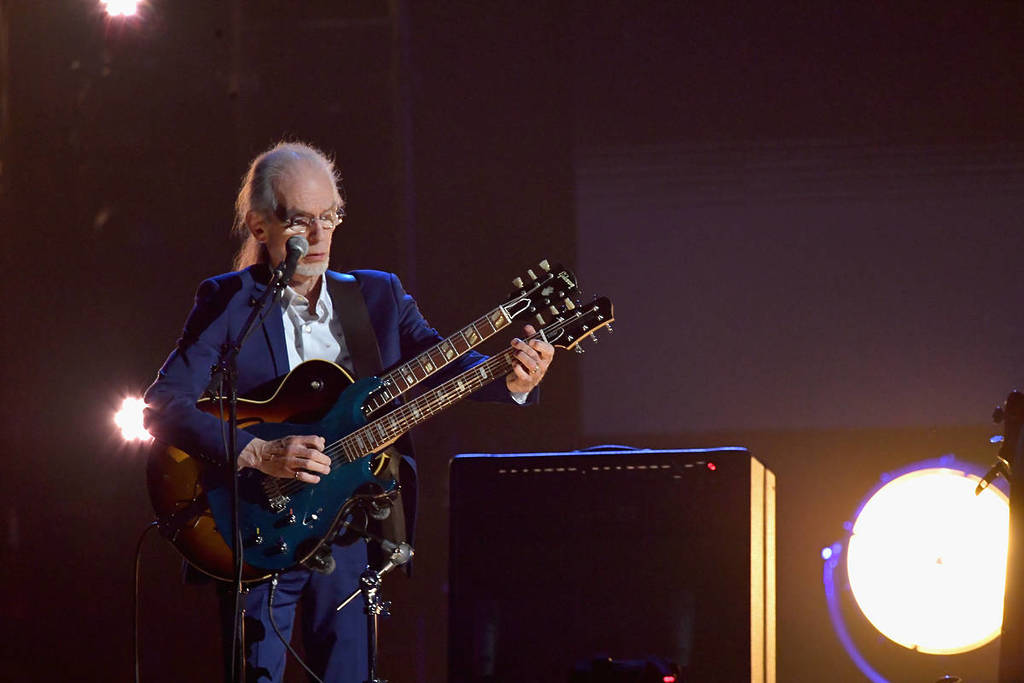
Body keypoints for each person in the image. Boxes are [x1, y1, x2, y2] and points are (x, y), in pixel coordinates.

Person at [143, 141, 553, 682]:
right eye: (298, 220)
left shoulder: (378, 295)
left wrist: (514, 377)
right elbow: (163, 404)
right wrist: (260, 452)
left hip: (352, 525)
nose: (317, 237)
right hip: (259, 525)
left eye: (329, 216)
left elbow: (437, 363)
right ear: (259, 226)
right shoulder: (229, 300)